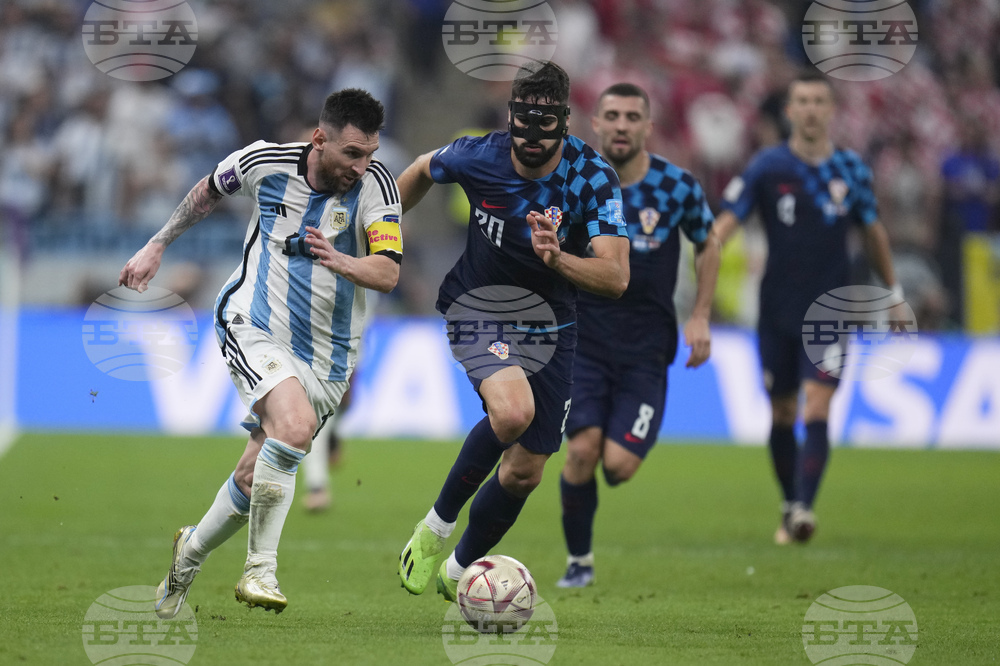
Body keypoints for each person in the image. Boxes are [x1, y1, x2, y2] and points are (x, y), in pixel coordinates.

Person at [118, 88, 402, 616]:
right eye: (352, 154)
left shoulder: (376, 187)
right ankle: (260, 570)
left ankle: (187, 557)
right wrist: (157, 244)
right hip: (254, 322)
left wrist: (339, 260)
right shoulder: (264, 163)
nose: (361, 166)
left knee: (253, 478)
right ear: (319, 139)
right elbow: (207, 190)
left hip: (329, 358)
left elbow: (387, 272)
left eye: (370, 154)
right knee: (293, 428)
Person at [394, 62, 630, 601]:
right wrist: (381, 229)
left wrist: (559, 259)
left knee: (525, 472)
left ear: (564, 123)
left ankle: (457, 571)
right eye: (523, 122)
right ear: (510, 117)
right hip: (478, 305)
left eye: (544, 127)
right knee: (512, 413)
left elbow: (616, 277)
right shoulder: (479, 155)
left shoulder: (592, 178)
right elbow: (423, 167)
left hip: (553, 327)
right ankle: (434, 528)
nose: (531, 138)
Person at [713, 72, 900, 544]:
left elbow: (872, 231)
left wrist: (894, 293)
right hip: (776, 309)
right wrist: (706, 251)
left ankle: (802, 508)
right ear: (790, 111)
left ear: (831, 110)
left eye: (819, 101)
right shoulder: (768, 166)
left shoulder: (851, 170)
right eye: (803, 101)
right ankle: (789, 501)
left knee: (817, 404)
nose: (812, 109)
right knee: (782, 412)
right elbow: (727, 223)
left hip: (830, 311)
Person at [556, 83, 721, 588]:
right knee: (581, 451)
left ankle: (615, 457)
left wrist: (701, 314)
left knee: (618, 466)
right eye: (612, 115)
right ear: (596, 124)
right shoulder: (574, 183)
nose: (622, 125)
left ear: (648, 127)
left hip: (647, 350)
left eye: (632, 116)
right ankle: (579, 562)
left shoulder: (676, 186)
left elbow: (708, 242)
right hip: (584, 343)